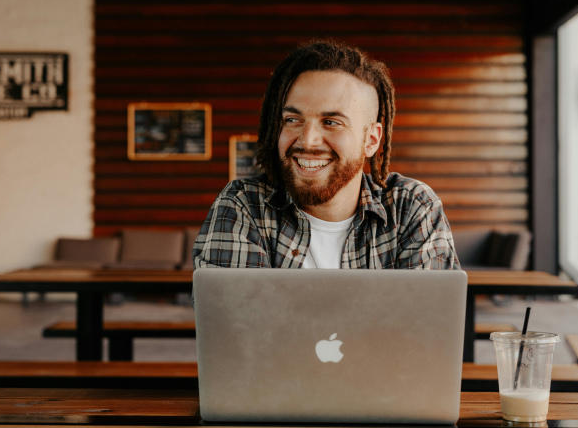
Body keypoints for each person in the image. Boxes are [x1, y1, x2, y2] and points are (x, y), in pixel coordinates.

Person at [193, 40, 459, 271]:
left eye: (331, 122)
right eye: (293, 119)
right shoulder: (243, 205)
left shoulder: (411, 208)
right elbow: (238, 325)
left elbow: (428, 327)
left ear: (371, 140)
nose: (307, 140)